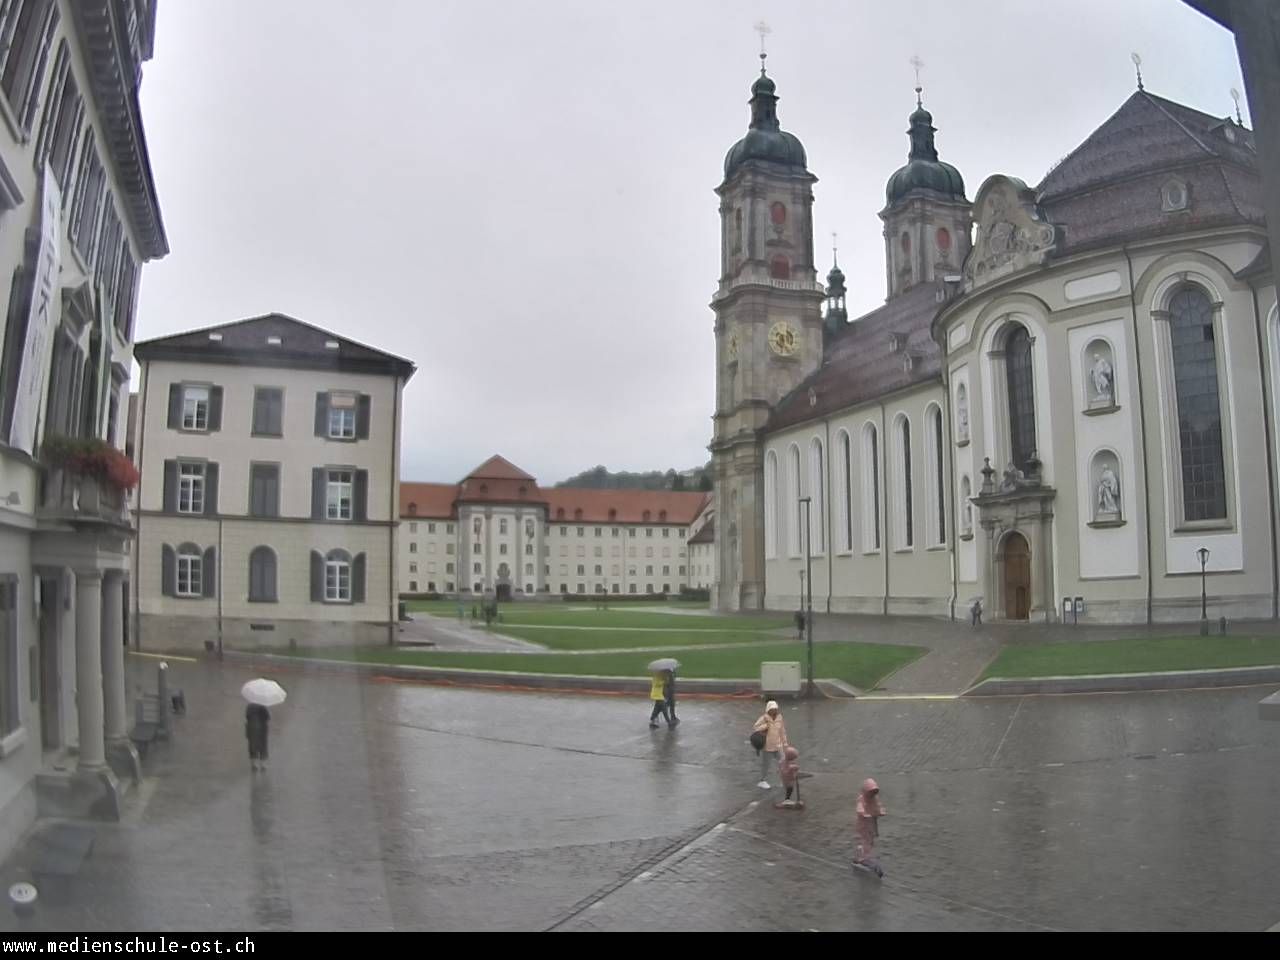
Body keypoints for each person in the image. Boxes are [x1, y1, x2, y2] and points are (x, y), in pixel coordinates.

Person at [752, 700, 788, 789]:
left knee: (783, 762)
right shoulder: (764, 718)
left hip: (778, 746)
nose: (774, 711)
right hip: (767, 747)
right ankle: (762, 780)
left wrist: (785, 743)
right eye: (772, 709)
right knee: (766, 765)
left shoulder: (780, 718)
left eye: (775, 709)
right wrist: (765, 726)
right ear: (768, 709)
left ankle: (784, 779)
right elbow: (755, 727)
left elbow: (782, 731)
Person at [854, 778, 886, 877]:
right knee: (865, 839)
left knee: (871, 839)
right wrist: (863, 813)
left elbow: (878, 806)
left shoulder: (874, 799)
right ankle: (863, 858)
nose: (872, 794)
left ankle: (864, 854)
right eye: (871, 792)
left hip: (872, 821)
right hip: (864, 823)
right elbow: (859, 808)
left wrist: (880, 811)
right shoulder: (861, 798)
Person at [246, 703, 270, 771]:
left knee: (252, 746)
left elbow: (247, 716)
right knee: (263, 747)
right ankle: (263, 765)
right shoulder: (263, 707)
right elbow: (268, 717)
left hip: (251, 728)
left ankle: (254, 764)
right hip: (262, 730)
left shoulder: (249, 706)